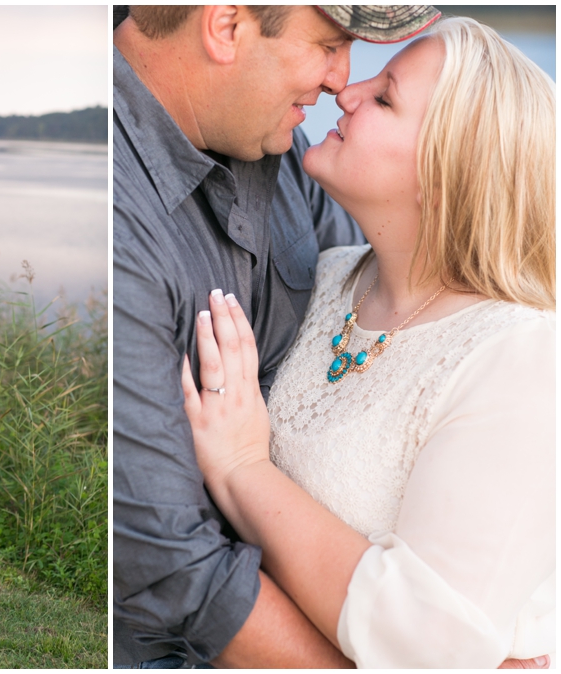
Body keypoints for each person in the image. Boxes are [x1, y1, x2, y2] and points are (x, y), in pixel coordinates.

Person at [184, 17, 554, 668]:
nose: (345, 93)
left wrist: (243, 468)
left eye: (384, 97)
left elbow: (429, 641)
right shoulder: (324, 277)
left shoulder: (519, 358)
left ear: (445, 174)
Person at [112, 5, 438, 668]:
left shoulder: (278, 152)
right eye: (328, 44)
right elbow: (173, 572)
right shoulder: (121, 225)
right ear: (226, 25)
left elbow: (389, 325)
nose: (340, 81)